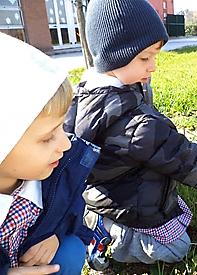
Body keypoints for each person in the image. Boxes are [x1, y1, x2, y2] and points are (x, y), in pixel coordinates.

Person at [64, 0, 197, 271]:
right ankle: (105, 232)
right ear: (113, 55)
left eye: (155, 56)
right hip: (122, 203)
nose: (153, 66)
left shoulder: (87, 91)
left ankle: (96, 216)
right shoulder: (136, 127)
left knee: (179, 213)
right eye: (145, 58)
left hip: (113, 188)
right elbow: (192, 161)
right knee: (177, 247)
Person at [0, 33, 100, 275]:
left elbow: (72, 206)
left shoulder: (58, 173)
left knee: (70, 250)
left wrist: (56, 232)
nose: (66, 145)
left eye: (62, 128)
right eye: (47, 137)